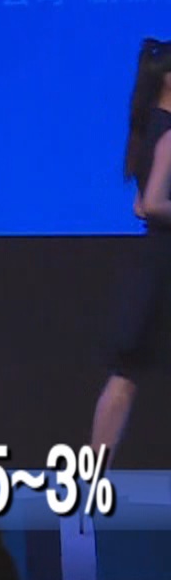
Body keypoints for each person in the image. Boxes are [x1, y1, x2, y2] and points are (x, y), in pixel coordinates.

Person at [91, 37, 171, 462]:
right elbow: (154, 203)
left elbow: (140, 204)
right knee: (125, 376)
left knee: (125, 377)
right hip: (163, 266)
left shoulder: (147, 129)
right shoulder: (169, 133)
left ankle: (91, 476)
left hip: (153, 263)